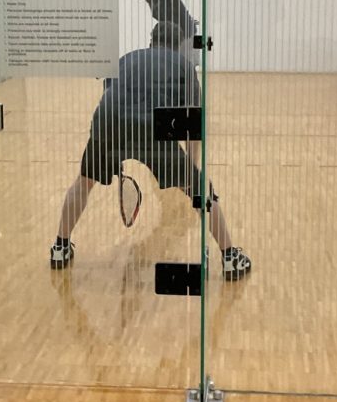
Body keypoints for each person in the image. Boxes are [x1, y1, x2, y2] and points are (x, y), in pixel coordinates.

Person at [50, 20, 251, 280]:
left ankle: (60, 248)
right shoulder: (184, 66)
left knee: (84, 182)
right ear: (178, 45)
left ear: (151, 40)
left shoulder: (125, 59)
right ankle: (230, 258)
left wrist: (117, 147)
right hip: (154, 127)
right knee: (202, 191)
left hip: (106, 122)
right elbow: (193, 123)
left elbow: (111, 96)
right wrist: (192, 171)